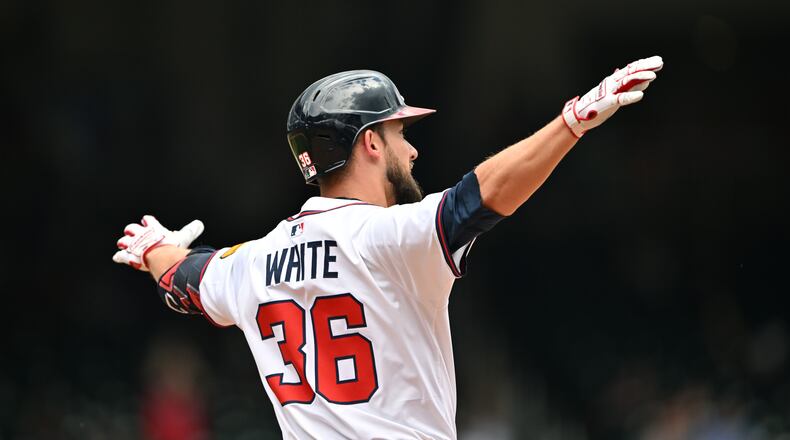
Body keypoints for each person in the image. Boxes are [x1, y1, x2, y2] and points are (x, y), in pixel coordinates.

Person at [113, 56, 663, 439]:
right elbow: (481, 197)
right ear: (370, 142)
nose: (414, 150)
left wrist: (152, 249)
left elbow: (185, 279)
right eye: (401, 134)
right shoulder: (389, 238)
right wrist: (570, 125)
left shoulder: (253, 261)